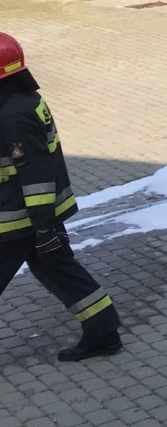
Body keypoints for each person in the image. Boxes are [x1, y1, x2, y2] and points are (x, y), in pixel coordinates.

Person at [0, 33, 122, 362]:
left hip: (21, 218)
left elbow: (36, 176)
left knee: (58, 268)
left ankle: (104, 332)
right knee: (59, 270)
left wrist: (44, 229)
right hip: (29, 215)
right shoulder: (20, 99)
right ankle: (103, 330)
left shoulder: (13, 114)